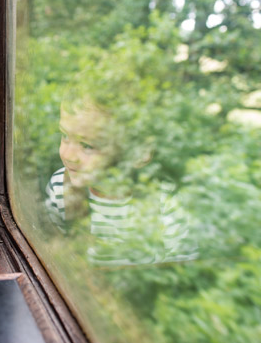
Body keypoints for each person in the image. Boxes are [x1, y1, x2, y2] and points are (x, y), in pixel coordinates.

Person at [45, 72, 198, 266]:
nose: (68, 154)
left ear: (139, 152)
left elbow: (181, 272)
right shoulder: (60, 188)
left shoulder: (164, 205)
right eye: (65, 135)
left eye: (88, 145)